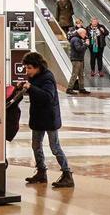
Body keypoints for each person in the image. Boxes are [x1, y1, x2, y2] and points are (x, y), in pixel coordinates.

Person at [19, 52, 73, 188]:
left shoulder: (48, 77)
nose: (27, 71)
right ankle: (41, 172)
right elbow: (34, 92)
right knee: (36, 146)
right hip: (38, 117)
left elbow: (48, 96)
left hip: (49, 118)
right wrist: (24, 87)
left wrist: (31, 88)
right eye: (26, 68)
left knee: (55, 147)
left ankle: (67, 174)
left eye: (29, 68)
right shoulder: (34, 76)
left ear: (38, 67)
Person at [67, 22, 91, 95]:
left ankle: (81, 88)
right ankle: (69, 88)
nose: (85, 35)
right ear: (80, 33)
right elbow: (79, 49)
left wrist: (85, 44)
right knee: (75, 74)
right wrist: (86, 44)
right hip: (76, 59)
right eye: (84, 34)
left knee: (81, 74)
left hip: (79, 59)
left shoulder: (78, 38)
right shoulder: (75, 39)